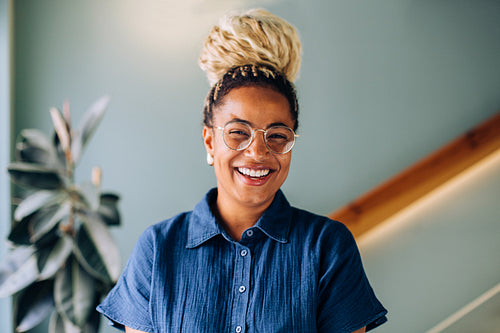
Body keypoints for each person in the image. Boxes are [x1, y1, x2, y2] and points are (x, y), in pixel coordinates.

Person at [97, 8, 388, 333]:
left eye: (277, 136)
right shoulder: (157, 249)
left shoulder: (327, 247)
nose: (258, 152)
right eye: (238, 132)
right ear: (210, 142)